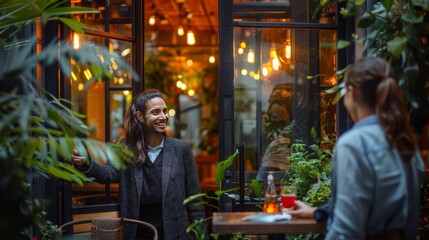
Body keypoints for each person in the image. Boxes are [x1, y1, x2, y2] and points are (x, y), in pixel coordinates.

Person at [287, 57, 425, 239]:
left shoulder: (353, 144)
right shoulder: (405, 141)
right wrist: (317, 212)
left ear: (351, 92)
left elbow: (346, 231)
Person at [71, 89, 207, 240]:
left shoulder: (180, 149)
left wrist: (201, 236)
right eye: (156, 112)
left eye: (164, 111)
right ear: (140, 116)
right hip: (137, 232)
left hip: (174, 232)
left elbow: (195, 200)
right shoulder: (125, 149)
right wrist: (87, 163)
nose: (163, 117)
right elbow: (108, 173)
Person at [257, 99, 294, 181]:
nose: (276, 122)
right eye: (274, 117)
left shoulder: (291, 135)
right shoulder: (263, 133)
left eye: (282, 120)